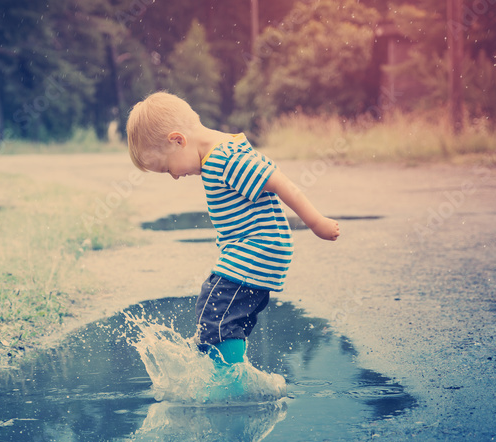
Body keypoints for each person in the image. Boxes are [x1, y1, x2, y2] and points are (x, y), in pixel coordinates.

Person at [125, 91, 339, 384]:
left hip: (257, 248)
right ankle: (227, 369)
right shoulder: (222, 153)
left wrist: (316, 222)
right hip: (251, 250)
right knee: (217, 311)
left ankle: (230, 383)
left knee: (216, 312)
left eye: (166, 168)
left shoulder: (223, 158)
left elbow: (277, 181)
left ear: (177, 140)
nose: (174, 176)